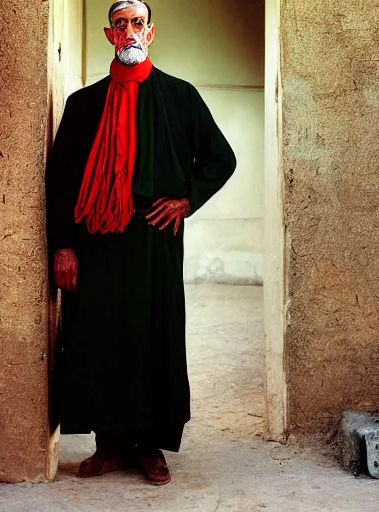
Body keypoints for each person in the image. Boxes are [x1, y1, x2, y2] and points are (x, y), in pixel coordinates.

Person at [45, 0, 236, 485]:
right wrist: (63, 246)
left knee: (155, 337)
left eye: (137, 24)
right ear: (110, 36)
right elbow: (60, 180)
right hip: (97, 242)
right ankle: (109, 446)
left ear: (150, 34)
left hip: (155, 239)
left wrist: (186, 200)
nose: (128, 31)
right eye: (119, 25)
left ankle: (150, 448)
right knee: (100, 338)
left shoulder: (179, 96)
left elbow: (220, 158)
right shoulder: (83, 104)